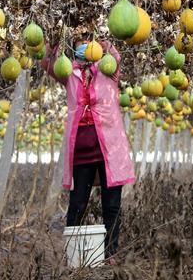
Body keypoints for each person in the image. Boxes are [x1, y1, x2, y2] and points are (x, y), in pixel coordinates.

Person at [42, 37, 135, 260]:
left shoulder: (108, 71)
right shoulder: (69, 74)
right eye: (80, 43)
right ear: (74, 48)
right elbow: (47, 64)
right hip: (81, 153)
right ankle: (74, 256)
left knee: (111, 206)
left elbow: (116, 58)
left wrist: (105, 45)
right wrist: (53, 42)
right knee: (77, 204)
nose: (85, 46)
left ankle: (110, 253)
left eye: (88, 41)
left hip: (109, 150)